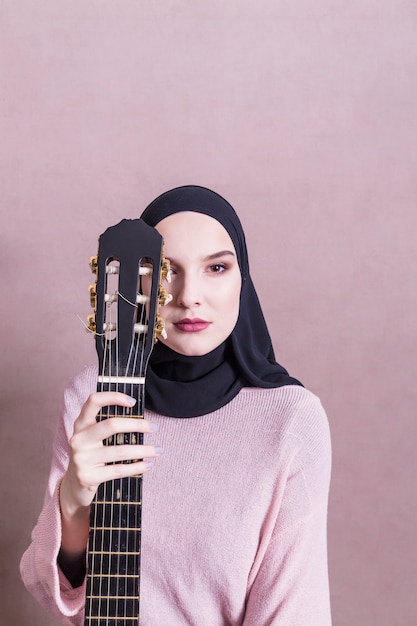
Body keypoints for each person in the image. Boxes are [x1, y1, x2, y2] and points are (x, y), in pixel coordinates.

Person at [20, 185, 332, 625]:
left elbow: (293, 612)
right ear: (138, 283)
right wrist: (71, 499)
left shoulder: (290, 421)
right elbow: (55, 593)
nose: (188, 296)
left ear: (243, 279)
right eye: (167, 270)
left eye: (216, 268)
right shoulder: (94, 395)